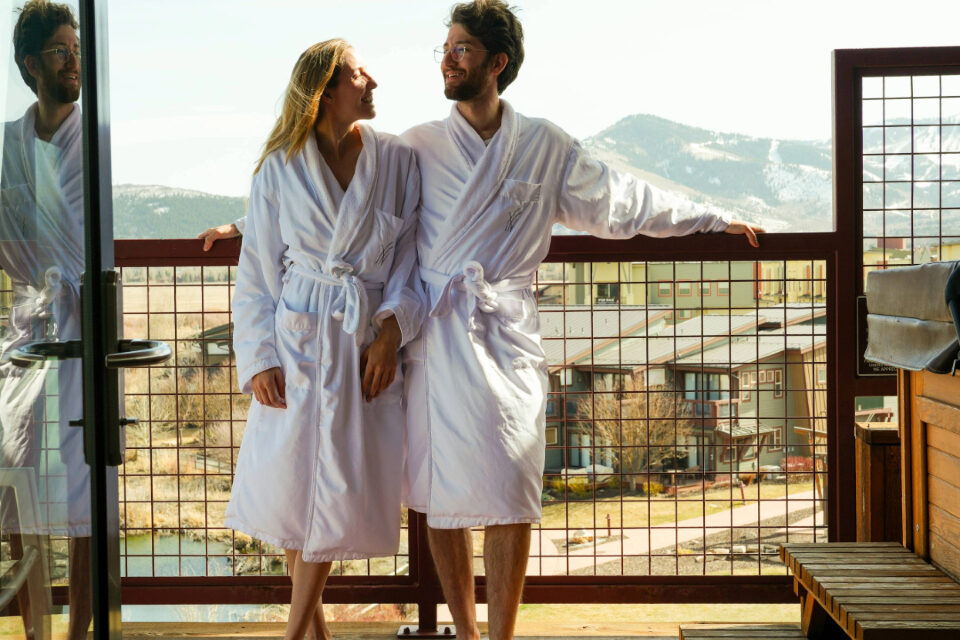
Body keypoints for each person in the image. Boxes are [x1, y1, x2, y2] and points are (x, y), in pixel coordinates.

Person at [398, 2, 764, 640]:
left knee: (513, 487)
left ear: (496, 62)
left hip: (505, 334)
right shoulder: (418, 145)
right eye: (446, 47)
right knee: (440, 493)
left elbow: (622, 201)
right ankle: (465, 630)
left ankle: (503, 635)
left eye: (461, 49)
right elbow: (357, 205)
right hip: (438, 333)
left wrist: (707, 217)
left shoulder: (543, 145)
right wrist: (251, 225)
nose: (447, 59)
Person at [223, 39, 423, 640]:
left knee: (330, 489)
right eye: (360, 74)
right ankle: (307, 635)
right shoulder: (279, 167)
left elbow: (411, 262)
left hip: (360, 343)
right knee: (293, 492)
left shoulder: (396, 160)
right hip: (295, 341)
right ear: (326, 90)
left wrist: (390, 334)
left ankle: (296, 634)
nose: (374, 81)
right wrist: (257, 357)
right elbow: (257, 270)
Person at [1, 2, 91, 638]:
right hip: (27, 329)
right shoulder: (6, 143)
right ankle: (35, 628)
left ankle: (86, 630)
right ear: (31, 64)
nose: (73, 59)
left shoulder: (97, 135)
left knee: (87, 481)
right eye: (60, 50)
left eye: (76, 47)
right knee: (19, 473)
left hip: (86, 322)